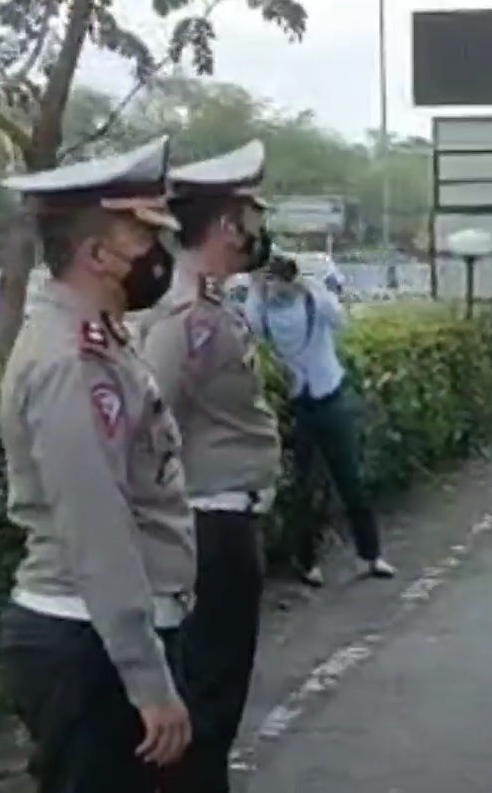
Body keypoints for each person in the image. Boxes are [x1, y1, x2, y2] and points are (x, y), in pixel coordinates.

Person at [0, 135, 195, 793]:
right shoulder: (73, 362)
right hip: (86, 642)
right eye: (144, 239)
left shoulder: (101, 345)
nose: (159, 257)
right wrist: (147, 679)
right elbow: (98, 528)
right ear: (98, 253)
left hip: (97, 634)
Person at [139, 140, 282, 793]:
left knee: (217, 707)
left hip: (226, 525)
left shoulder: (213, 306)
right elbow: (147, 426)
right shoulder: (187, 319)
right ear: (226, 224)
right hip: (206, 531)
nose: (258, 228)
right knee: (205, 706)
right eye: (252, 214)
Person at [246, 253, 395, 584]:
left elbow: (339, 319)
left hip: (329, 396)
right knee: (304, 487)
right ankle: (307, 560)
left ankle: (370, 555)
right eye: (270, 283)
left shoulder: (314, 302)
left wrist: (312, 286)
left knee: (350, 480)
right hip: (298, 402)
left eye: (280, 282)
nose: (276, 290)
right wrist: (256, 290)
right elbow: (251, 328)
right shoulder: (263, 310)